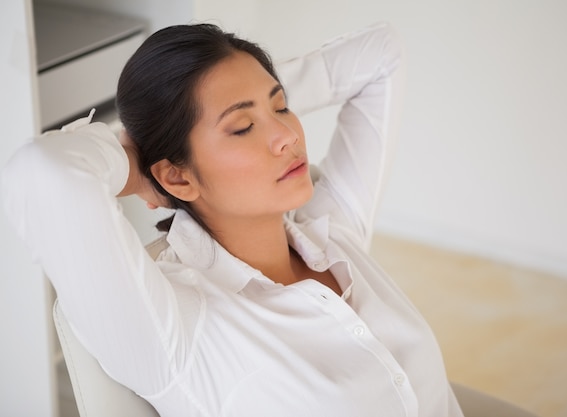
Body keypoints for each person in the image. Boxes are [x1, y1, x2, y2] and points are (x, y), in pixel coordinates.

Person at [2, 22, 463, 416]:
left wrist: (236, 98)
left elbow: (381, 55)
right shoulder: (179, 332)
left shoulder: (332, 236)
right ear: (177, 178)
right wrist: (138, 156)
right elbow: (42, 171)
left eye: (281, 106)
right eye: (242, 127)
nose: (286, 135)